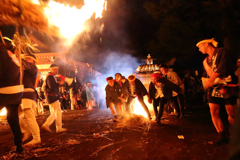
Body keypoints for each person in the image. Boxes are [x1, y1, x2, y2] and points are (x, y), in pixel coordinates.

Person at [196, 38, 239, 145]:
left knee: (231, 112)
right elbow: (205, 75)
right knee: (213, 110)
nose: (199, 50)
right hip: (214, 88)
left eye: (200, 47)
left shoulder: (222, 52)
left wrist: (211, 80)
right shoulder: (205, 61)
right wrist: (205, 82)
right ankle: (221, 136)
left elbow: (222, 68)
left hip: (226, 85)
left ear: (206, 44)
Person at [0, 47, 24, 153]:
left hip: (4, 90)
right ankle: (19, 144)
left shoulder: (1, 53)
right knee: (13, 118)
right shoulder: (14, 58)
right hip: (16, 91)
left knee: (13, 117)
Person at [18, 54, 41, 146]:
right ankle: (26, 131)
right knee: (13, 114)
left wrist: (18, 56)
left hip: (28, 93)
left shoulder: (33, 67)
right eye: (26, 58)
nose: (26, 60)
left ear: (33, 61)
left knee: (30, 117)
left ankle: (36, 138)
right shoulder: (25, 69)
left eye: (28, 59)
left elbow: (25, 63)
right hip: (21, 94)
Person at [41, 64, 67, 133]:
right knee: (57, 112)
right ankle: (53, 126)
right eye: (55, 69)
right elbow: (52, 87)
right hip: (53, 96)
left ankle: (54, 126)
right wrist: (59, 84)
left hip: (51, 97)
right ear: (51, 69)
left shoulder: (50, 77)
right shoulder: (50, 77)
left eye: (57, 69)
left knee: (55, 112)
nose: (56, 71)